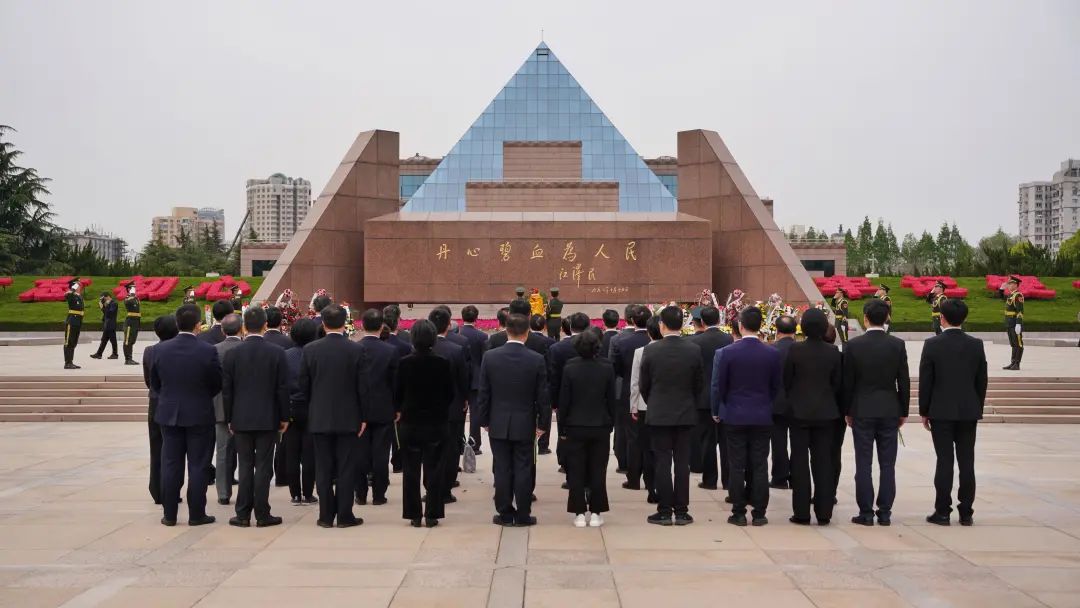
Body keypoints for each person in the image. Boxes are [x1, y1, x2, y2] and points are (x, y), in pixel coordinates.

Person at [150, 303, 222, 527]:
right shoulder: (207, 350)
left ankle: (169, 514)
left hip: (169, 413)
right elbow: (216, 383)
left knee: (171, 464)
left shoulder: (159, 350)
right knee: (198, 465)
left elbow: (155, 384)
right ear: (198, 325)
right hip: (199, 413)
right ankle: (196, 514)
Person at [477, 313, 550, 527]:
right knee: (524, 467)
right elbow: (543, 397)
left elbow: (484, 393)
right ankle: (524, 514)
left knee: (502, 468)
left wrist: (484, 420)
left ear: (506, 330)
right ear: (527, 333)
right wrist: (542, 424)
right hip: (525, 422)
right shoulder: (536, 359)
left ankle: (505, 513)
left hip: (498, 422)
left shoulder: (490, 357)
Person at [711, 306, 782, 527]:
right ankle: (759, 513)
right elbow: (775, 387)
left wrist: (717, 410)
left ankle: (739, 512)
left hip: (734, 415)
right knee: (760, 464)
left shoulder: (726, 353)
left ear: (740, 326)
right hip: (761, 415)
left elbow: (718, 386)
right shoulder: (772, 353)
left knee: (737, 465)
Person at [919, 298, 987, 526]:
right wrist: (977, 405)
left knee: (944, 461)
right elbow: (981, 381)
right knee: (967, 461)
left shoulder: (932, 344)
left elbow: (926, 382)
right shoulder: (976, 344)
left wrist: (924, 411)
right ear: (964, 318)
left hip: (941, 411)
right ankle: (966, 512)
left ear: (942, 318)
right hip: (969, 411)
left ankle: (943, 511)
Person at [843, 299, 910, 526]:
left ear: (865, 318)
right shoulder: (897, 345)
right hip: (890, 409)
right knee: (887, 464)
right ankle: (885, 512)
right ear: (887, 318)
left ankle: (865, 512)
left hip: (862, 410)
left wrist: (847, 410)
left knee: (864, 463)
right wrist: (903, 410)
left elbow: (847, 383)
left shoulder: (853, 346)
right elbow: (904, 382)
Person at [299, 303, 366, 528]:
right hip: (349, 418)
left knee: (324, 467)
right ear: (344, 322)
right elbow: (362, 388)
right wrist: (363, 416)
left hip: (319, 417)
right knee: (347, 467)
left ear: (324, 323)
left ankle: (326, 516)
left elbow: (304, 387)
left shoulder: (310, 350)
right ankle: (345, 515)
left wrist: (311, 410)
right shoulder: (356, 349)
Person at [222, 307, 290, 528]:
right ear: (264, 325)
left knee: (244, 464)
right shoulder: (277, 353)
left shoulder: (233, 354)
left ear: (243, 327)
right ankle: (262, 513)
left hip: (240, 418)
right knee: (263, 466)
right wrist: (284, 416)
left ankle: (242, 514)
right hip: (268, 417)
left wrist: (230, 417)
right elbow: (282, 389)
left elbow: (228, 390)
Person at [638, 306, 703, 526]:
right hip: (685, 414)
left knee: (662, 461)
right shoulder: (693, 349)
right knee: (682, 463)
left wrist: (654, 403)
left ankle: (665, 510)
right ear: (682, 325)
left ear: (661, 325)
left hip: (659, 414)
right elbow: (698, 385)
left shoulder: (651, 350)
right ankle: (682, 511)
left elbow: (644, 385)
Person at [783, 308, 843, 525]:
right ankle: (824, 512)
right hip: (826, 415)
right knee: (823, 463)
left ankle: (801, 512)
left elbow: (787, 381)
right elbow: (837, 384)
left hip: (799, 414)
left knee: (799, 462)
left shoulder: (795, 350)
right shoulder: (833, 352)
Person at [395, 320, 454, 527]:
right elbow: (449, 394)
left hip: (410, 423)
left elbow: (397, 394)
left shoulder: (404, 363)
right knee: (435, 468)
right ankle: (432, 513)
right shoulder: (443, 363)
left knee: (410, 470)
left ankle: (413, 513)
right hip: (436, 423)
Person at [559, 330, 616, 527]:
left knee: (576, 470)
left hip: (575, 425)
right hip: (600, 425)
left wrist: (562, 429)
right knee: (598, 470)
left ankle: (579, 512)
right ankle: (597, 511)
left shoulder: (570, 368)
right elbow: (611, 398)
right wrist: (611, 422)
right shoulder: (607, 367)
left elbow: (564, 401)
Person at [355, 308, 400, 506]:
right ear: (382, 326)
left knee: (360, 453)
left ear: (362, 325)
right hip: (383, 408)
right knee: (381, 453)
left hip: (359, 410)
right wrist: (397, 407)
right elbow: (395, 383)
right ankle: (379, 495)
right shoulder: (390, 351)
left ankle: (361, 494)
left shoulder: (354, 348)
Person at [688, 306, 733, 491]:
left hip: (702, 398)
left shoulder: (694, 342)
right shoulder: (728, 339)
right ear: (719, 320)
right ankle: (728, 480)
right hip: (724, 396)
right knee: (726, 442)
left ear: (702, 322)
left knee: (706, 441)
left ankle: (710, 480)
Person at [429, 308, 470, 502]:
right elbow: (463, 380)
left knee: (429, 450)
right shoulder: (456, 350)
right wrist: (465, 399)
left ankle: (430, 488)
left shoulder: (419, 348)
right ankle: (445, 489)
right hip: (452, 407)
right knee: (451, 448)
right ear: (448, 326)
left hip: (427, 409)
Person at [613, 306, 652, 492]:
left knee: (634, 440)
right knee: (652, 441)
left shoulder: (622, 341)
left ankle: (634, 478)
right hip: (654, 398)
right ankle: (651, 479)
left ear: (632, 321)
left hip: (630, 395)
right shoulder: (655, 342)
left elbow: (617, 370)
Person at [143, 314, 178, 504]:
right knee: (172, 450)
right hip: (172, 403)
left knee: (156, 448)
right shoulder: (177, 350)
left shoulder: (150, 351)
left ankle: (157, 489)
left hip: (155, 403)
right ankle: (169, 489)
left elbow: (149, 381)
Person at [545, 312, 589, 461]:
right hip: (590, 395)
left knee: (564, 430)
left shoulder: (557, 348)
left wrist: (554, 401)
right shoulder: (596, 344)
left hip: (564, 396)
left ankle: (564, 461)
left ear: (569, 327)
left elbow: (554, 377)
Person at [284, 319, 319, 505]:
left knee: (291, 451)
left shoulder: (285, 355)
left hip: (290, 406)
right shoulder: (315, 354)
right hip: (310, 406)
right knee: (309, 452)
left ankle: (295, 494)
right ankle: (307, 492)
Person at [628, 317, 662, 504]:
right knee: (662, 451)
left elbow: (636, 382)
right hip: (666, 407)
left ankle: (652, 488)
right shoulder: (643, 351)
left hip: (644, 406)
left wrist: (633, 405)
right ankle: (660, 485)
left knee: (648, 450)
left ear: (649, 332)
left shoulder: (641, 352)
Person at [212, 314, 243, 505]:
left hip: (221, 407)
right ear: (242, 329)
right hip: (246, 407)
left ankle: (223, 493)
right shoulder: (247, 348)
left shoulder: (214, 350)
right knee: (248, 453)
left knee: (222, 451)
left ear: (222, 330)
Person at [609, 304, 639, 472]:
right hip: (646, 391)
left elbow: (613, 368)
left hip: (623, 388)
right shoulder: (651, 338)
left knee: (621, 428)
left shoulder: (617, 339)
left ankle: (623, 463)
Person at [770, 315, 797, 490]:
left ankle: (779, 478)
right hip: (798, 403)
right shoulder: (801, 349)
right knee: (798, 443)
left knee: (778, 442)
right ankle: (796, 476)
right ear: (795, 331)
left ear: (777, 331)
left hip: (776, 403)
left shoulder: (771, 350)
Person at [1003, 275, 1025, 370]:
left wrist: (1018, 323)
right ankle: (1013, 362)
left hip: (1015, 322)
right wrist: (1000, 290)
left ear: (1016, 285)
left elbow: (1020, 311)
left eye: (1010, 283)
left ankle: (1017, 363)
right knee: (1013, 343)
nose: (1009, 285)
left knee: (1018, 343)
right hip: (1009, 323)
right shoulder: (1011, 295)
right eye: (1009, 283)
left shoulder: (1018, 295)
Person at [63, 277, 85, 369]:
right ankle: (67, 363)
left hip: (78, 321)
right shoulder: (70, 294)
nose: (80, 287)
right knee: (69, 342)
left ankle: (70, 362)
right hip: (71, 321)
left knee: (74, 342)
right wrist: (73, 288)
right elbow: (67, 295)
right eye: (78, 285)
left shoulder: (78, 296)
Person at [90, 291, 119, 360]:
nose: (104, 300)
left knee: (113, 340)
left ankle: (115, 354)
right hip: (107, 324)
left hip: (111, 325)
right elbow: (105, 313)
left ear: (108, 297)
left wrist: (106, 305)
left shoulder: (114, 303)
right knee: (103, 340)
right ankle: (99, 354)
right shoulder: (108, 304)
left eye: (104, 298)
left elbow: (110, 313)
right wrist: (102, 307)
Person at [121, 281, 142, 365]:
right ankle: (127, 359)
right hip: (130, 322)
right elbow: (127, 302)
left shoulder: (136, 298)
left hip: (136, 322)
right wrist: (132, 295)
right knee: (128, 340)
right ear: (129, 289)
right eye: (133, 288)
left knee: (132, 340)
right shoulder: (128, 298)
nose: (135, 289)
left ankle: (130, 358)